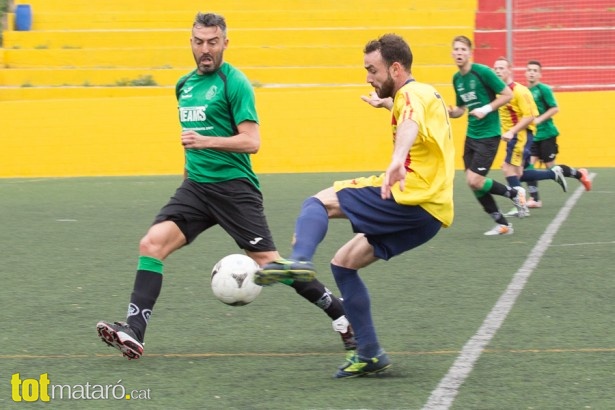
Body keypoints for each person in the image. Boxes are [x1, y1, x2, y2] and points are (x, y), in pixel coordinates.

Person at [96, 12, 355, 360]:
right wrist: (187, 179)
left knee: (270, 264)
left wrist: (207, 141)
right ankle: (134, 331)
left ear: (225, 43)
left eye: (213, 42)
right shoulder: (184, 85)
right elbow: (190, 146)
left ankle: (339, 313)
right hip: (196, 188)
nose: (206, 49)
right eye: (199, 42)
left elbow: (252, 141)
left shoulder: (235, 83)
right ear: (191, 42)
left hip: (234, 189)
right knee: (151, 244)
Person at [255, 34, 455, 378]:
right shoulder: (425, 92)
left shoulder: (409, 95)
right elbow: (415, 118)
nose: (368, 77)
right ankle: (370, 353)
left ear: (395, 68)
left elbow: (408, 124)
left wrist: (397, 158)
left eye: (372, 70)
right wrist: (385, 105)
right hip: (432, 214)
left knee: (318, 201)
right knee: (344, 265)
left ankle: (299, 260)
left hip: (409, 195)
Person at [448, 35, 528, 236]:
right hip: (471, 135)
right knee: (472, 183)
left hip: (489, 135)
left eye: (463, 49)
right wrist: (450, 112)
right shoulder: (457, 79)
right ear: (452, 53)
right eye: (456, 49)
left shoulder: (482, 72)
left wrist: (485, 109)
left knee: (475, 180)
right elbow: (461, 109)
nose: (459, 53)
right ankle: (503, 224)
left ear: (469, 52)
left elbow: (507, 95)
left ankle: (513, 194)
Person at [491, 57, 568, 217]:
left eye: (501, 68)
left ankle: (521, 206)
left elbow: (531, 116)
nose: (497, 71)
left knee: (507, 169)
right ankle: (553, 174)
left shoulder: (519, 90)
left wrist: (512, 132)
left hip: (520, 136)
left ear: (510, 69)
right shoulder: (499, 92)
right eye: (495, 68)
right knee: (518, 173)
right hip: (513, 136)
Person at [522, 60, 592, 207]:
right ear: (525, 72)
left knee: (551, 168)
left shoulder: (544, 89)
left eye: (535, 70)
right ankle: (535, 199)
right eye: (529, 70)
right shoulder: (523, 91)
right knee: (528, 167)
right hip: (532, 136)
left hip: (547, 134)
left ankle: (580, 174)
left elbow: (555, 108)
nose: (532, 72)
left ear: (540, 74)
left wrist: (540, 119)